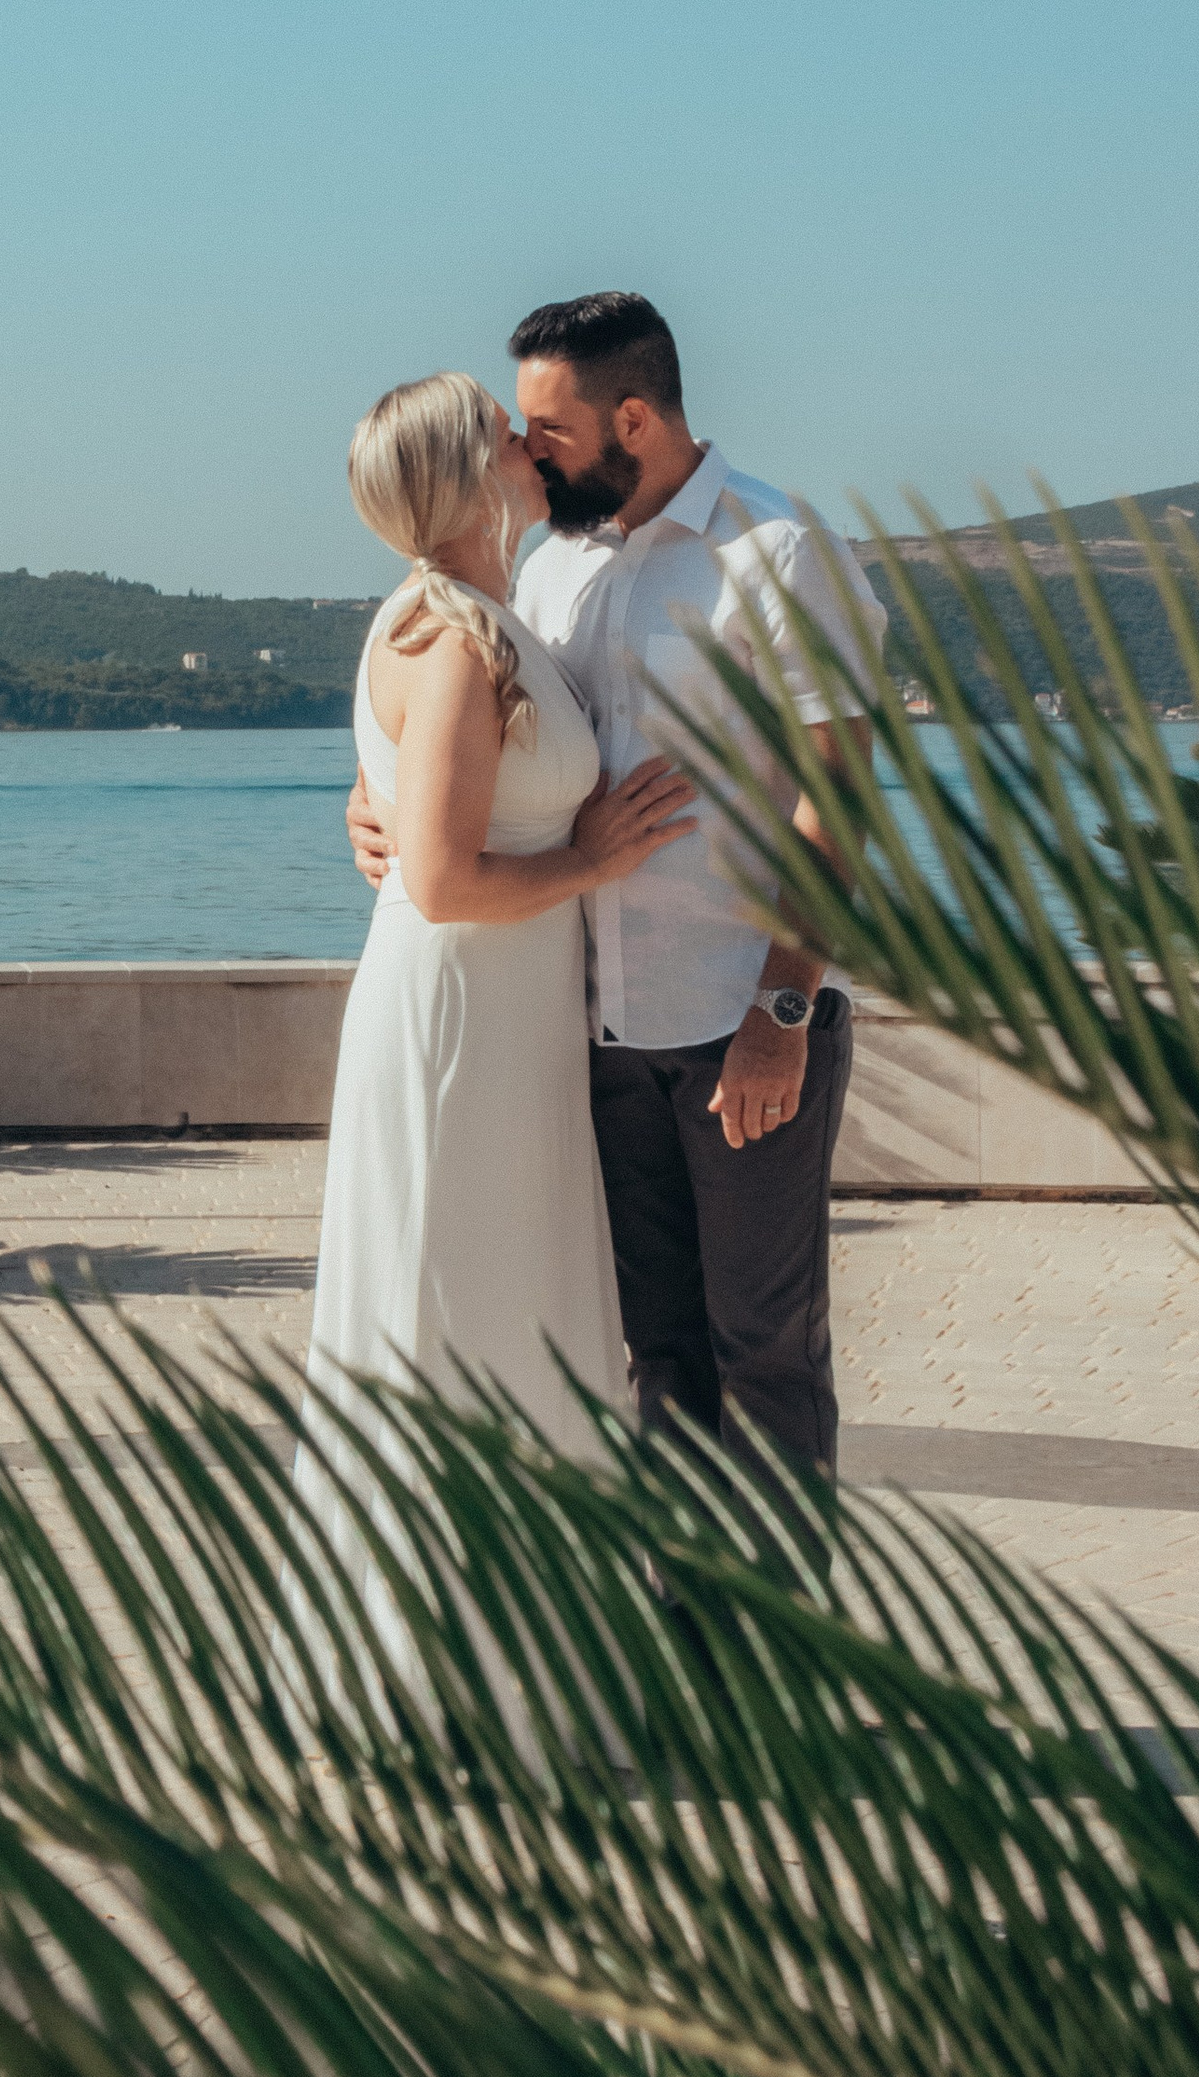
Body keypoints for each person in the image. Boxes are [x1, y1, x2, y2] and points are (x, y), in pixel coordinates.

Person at [346, 291, 880, 1479]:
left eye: (549, 429)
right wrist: (372, 801)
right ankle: (684, 1641)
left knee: (765, 1357)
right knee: (661, 1360)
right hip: (594, 1035)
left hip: (737, 1022)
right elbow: (480, 749)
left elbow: (838, 797)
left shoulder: (779, 551)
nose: (530, 451)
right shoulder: (545, 572)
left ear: (631, 418)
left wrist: (780, 1012)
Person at [302, 369, 694, 1545]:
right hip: (464, 1018)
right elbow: (440, 878)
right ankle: (451, 1667)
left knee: (501, 1304)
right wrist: (594, 858)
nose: (526, 441)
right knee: (464, 1303)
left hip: (502, 1014)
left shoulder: (452, 616)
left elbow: (407, 817)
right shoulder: (454, 643)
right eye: (498, 433)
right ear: (472, 480)